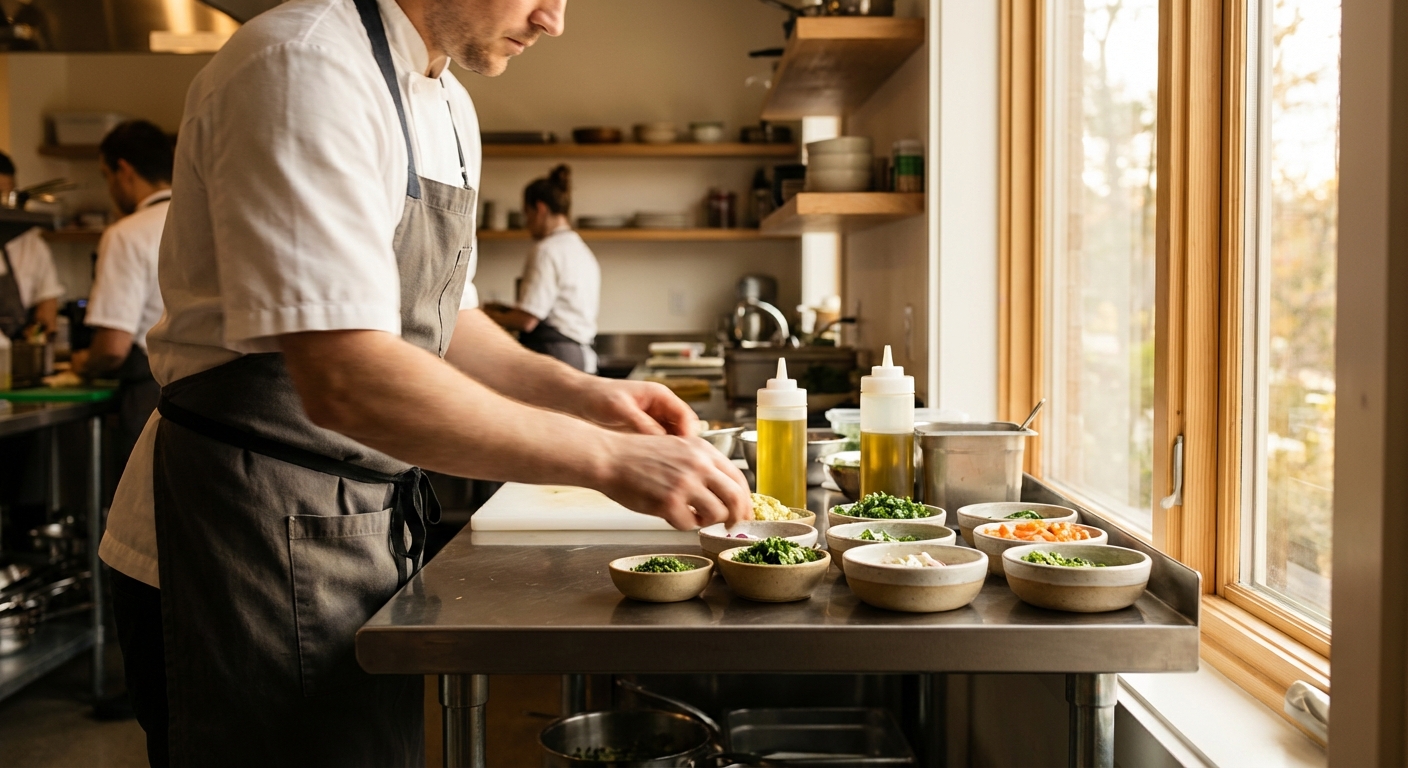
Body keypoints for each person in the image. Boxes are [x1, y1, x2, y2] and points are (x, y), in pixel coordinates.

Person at [95, 1, 750, 766]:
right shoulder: (304, 64)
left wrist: (588, 396)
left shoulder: (450, 105)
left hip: (356, 521)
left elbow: (447, 321)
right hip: (240, 528)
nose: (554, 20)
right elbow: (346, 377)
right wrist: (607, 458)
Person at [70, 121, 172, 465]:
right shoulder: (206, 220)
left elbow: (113, 348)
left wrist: (84, 363)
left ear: (124, 170)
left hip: (150, 400)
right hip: (210, 397)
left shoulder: (127, 233)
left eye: (106, 176)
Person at [484, 164, 601, 372]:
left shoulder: (546, 250)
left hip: (556, 356)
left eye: (527, 213)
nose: (527, 222)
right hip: (581, 357)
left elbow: (527, 320)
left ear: (540, 209)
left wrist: (487, 317)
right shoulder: (582, 251)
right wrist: (506, 309)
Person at [0, 151, 63, 340]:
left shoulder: (33, 244)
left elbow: (47, 307)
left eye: (8, 196)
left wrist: (37, 333)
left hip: (19, 349)